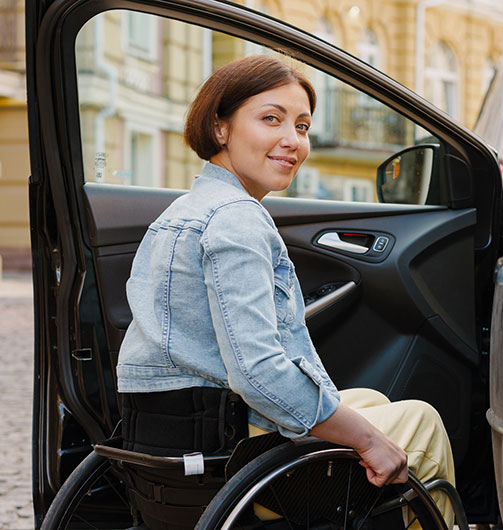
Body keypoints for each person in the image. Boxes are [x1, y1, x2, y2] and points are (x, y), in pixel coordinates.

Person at [116, 54, 454, 525]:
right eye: (270, 119)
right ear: (220, 128)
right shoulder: (236, 218)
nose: (291, 141)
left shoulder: (184, 211)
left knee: (371, 404)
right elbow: (258, 372)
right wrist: (369, 441)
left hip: (172, 439)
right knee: (420, 420)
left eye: (302, 125)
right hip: (231, 457)